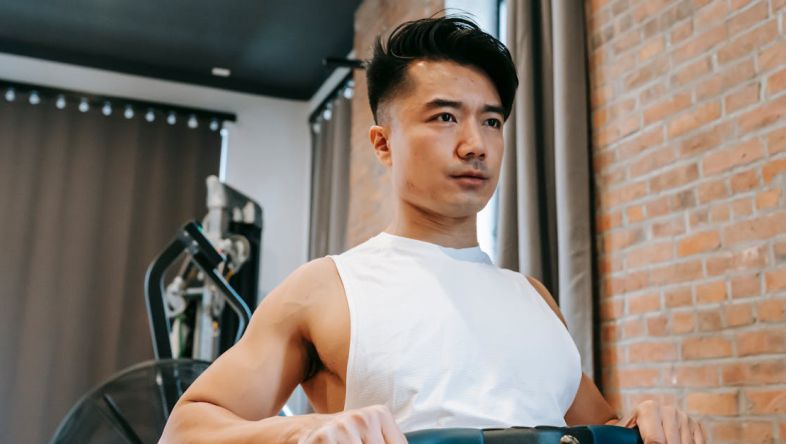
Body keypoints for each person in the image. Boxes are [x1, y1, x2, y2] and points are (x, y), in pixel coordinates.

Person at [160, 16, 706, 444]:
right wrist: (303, 430)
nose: (475, 144)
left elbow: (597, 426)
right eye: (445, 117)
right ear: (383, 143)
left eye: (491, 121)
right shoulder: (325, 289)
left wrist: (647, 424)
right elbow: (187, 429)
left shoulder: (532, 296)